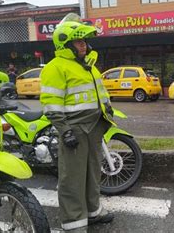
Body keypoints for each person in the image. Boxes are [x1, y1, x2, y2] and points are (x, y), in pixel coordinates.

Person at [39, 13, 114, 232]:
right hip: (75, 130)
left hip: (94, 128)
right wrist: (65, 131)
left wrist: (107, 111)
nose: (84, 45)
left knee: (92, 173)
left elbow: (99, 94)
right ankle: (74, 223)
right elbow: (52, 104)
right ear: (66, 44)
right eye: (80, 42)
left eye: (84, 41)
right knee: (72, 179)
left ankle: (93, 212)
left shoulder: (86, 65)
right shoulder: (56, 67)